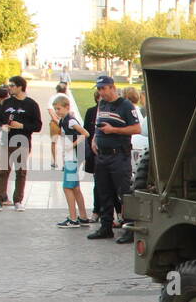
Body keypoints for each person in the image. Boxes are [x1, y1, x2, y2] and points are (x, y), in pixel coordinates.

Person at [87, 76, 141, 240]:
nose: (101, 92)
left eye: (104, 88)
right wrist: (95, 139)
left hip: (119, 155)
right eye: (99, 89)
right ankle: (106, 227)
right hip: (102, 155)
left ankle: (130, 229)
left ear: (112, 87)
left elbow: (136, 128)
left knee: (123, 193)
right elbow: (99, 122)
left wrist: (114, 130)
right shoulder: (102, 104)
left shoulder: (125, 105)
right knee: (104, 192)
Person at [0, 75, 42, 211]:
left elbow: (37, 126)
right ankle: (0, 199)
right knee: (3, 170)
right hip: (6, 141)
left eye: (12, 86)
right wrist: (2, 126)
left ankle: (18, 200)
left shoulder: (31, 104)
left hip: (23, 142)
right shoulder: (7, 103)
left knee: (20, 171)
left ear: (20, 87)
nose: (9, 88)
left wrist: (22, 126)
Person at [53, 95, 91, 228]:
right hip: (72, 157)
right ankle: (83, 217)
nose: (57, 111)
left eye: (59, 108)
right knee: (75, 188)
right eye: (55, 109)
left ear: (67, 107)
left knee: (67, 187)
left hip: (73, 158)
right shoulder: (65, 120)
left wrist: (72, 145)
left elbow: (85, 133)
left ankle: (73, 218)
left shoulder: (70, 121)